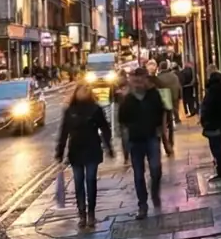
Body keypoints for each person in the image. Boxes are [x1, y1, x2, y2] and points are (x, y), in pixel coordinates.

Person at [55, 81, 113, 230]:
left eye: (87, 89)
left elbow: (105, 128)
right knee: (79, 183)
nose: (84, 92)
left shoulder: (95, 109)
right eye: (81, 89)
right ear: (76, 92)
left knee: (90, 181)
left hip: (92, 149)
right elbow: (63, 132)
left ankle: (91, 214)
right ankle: (82, 214)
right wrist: (59, 154)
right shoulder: (70, 111)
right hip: (76, 151)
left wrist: (109, 146)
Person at [117, 66, 167, 218]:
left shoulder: (153, 95)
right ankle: (142, 205)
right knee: (138, 174)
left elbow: (161, 111)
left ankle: (154, 192)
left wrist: (161, 131)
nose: (138, 83)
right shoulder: (128, 99)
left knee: (156, 169)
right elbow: (122, 119)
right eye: (135, 80)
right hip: (135, 140)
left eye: (141, 80)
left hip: (152, 137)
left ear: (146, 80)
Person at [199, 68, 221, 180]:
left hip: (213, 124)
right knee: (218, 146)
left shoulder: (212, 92)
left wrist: (205, 121)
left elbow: (208, 108)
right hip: (217, 123)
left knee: (215, 148)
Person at [155, 59, 182, 157]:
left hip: (162, 104)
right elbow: (179, 88)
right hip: (172, 101)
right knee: (170, 124)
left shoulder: (158, 78)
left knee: (163, 126)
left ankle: (167, 145)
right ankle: (171, 142)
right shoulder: (174, 76)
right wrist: (178, 98)